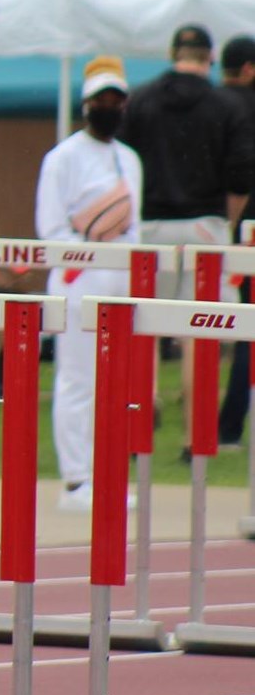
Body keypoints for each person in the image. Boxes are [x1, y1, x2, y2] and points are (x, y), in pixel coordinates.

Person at [118, 24, 255, 452]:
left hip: (151, 223)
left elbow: (122, 164)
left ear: (172, 53)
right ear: (208, 59)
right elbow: (240, 176)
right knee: (202, 331)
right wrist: (227, 225)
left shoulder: (140, 100)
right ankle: (195, 432)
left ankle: (149, 397)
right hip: (205, 223)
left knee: (146, 322)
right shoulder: (225, 105)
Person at [37, 59, 143, 511]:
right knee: (77, 380)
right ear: (86, 105)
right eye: (101, 100)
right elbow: (50, 229)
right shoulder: (61, 158)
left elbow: (136, 230)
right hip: (78, 282)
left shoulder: (130, 159)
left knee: (115, 384)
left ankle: (107, 473)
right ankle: (77, 479)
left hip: (120, 283)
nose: (109, 107)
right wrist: (90, 244)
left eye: (116, 100)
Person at [218, 34, 255, 447]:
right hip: (241, 231)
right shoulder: (244, 109)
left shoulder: (211, 105)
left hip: (214, 229)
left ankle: (227, 426)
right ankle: (228, 426)